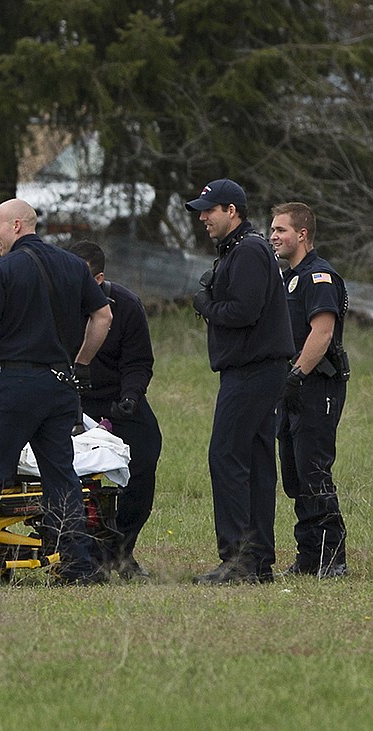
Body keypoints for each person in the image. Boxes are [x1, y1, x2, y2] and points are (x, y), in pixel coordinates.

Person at [0, 198, 112, 587]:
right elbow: (103, 315)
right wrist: (80, 363)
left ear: (17, 226)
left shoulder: (3, 269)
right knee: (62, 477)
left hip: (15, 387)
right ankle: (77, 566)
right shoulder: (73, 265)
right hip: (60, 388)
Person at [188, 179, 294, 585]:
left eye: (209, 210)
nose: (203, 217)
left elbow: (243, 311)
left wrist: (206, 305)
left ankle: (237, 559)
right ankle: (258, 561)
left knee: (227, 458)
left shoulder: (248, 250)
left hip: (251, 372)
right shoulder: (243, 249)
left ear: (232, 210)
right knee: (255, 463)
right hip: (259, 371)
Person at [64, 240, 163, 580]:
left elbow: (138, 361)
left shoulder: (127, 305)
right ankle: (80, 551)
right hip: (69, 399)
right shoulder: (55, 305)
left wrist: (131, 396)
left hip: (116, 398)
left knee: (146, 452)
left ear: (99, 278)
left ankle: (122, 548)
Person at [268, 202, 349, 578]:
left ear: (302, 234)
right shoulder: (287, 278)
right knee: (296, 474)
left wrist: (297, 374)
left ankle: (332, 558)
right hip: (294, 388)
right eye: (272, 230)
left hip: (317, 387)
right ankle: (307, 556)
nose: (273, 236)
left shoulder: (319, 277)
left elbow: (323, 332)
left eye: (281, 230)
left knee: (314, 469)